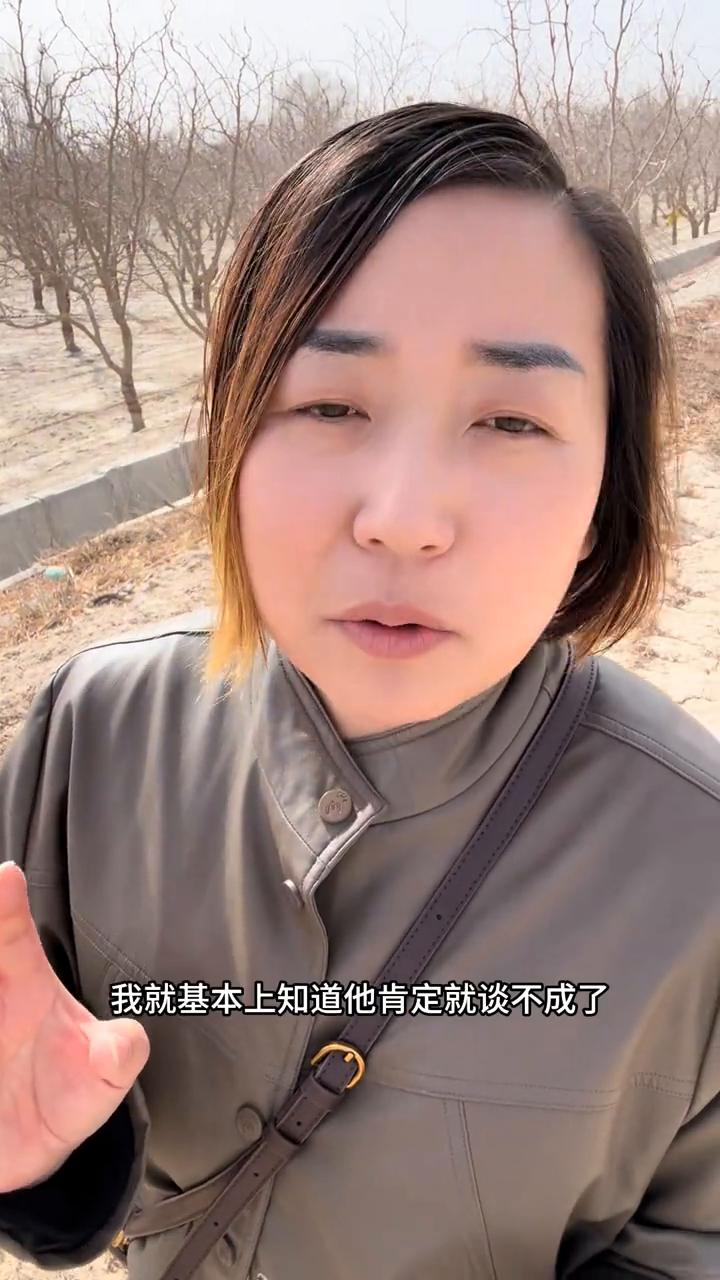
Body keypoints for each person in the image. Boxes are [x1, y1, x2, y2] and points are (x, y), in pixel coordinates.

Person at [0, 101, 718, 1280]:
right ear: (233, 438)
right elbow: (42, 1075)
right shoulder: (96, 728)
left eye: (510, 419)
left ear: (608, 493)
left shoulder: (698, 862)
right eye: (331, 404)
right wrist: (54, 1166)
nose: (403, 518)